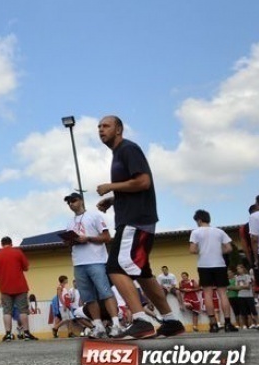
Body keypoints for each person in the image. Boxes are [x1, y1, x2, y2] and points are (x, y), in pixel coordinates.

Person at [94, 115, 185, 339]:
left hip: (135, 221)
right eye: (99, 127)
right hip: (138, 219)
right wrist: (115, 199)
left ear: (119, 130)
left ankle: (140, 320)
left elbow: (143, 181)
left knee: (115, 267)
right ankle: (171, 321)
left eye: (106, 126)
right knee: (143, 274)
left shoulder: (128, 149)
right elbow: (134, 186)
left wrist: (110, 187)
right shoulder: (119, 154)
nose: (101, 130)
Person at [63, 192, 120, 338]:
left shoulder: (95, 216)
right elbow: (71, 243)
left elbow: (106, 237)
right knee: (88, 297)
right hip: (78, 263)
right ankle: (98, 326)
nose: (71, 204)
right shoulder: (69, 222)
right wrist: (70, 241)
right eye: (68, 202)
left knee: (105, 292)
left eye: (73, 200)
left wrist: (88, 238)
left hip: (97, 261)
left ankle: (116, 324)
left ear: (81, 201)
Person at [188, 209, 237, 333]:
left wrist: (203, 251)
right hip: (219, 265)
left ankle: (213, 325)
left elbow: (192, 250)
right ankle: (227, 324)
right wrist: (218, 252)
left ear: (199, 220)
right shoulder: (219, 231)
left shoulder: (195, 232)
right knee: (223, 294)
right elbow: (229, 248)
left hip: (204, 266)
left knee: (208, 295)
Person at [0, 236, 35, 341]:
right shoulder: (18, 252)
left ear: (1, 244)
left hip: (5, 287)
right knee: (23, 310)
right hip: (20, 286)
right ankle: (27, 333)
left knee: (7, 311)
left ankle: (8, 334)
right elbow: (26, 267)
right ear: (11, 243)